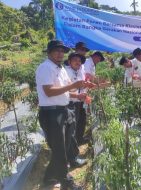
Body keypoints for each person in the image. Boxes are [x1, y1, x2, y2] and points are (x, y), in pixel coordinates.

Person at [36, 40, 95, 190]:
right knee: (60, 149)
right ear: (49, 52)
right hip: (51, 113)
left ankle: (49, 177)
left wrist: (80, 94)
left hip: (64, 110)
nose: (60, 53)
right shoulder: (45, 68)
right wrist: (74, 86)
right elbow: (49, 91)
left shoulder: (60, 68)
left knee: (63, 146)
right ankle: (67, 183)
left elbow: (67, 91)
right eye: (57, 50)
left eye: (62, 51)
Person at [65, 52, 88, 145]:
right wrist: (78, 96)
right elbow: (64, 91)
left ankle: (74, 146)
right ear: (69, 62)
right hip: (69, 104)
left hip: (77, 102)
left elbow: (79, 86)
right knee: (70, 128)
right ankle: (70, 152)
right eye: (75, 60)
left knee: (76, 125)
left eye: (79, 61)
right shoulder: (66, 72)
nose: (78, 62)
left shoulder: (78, 71)